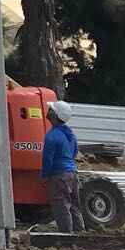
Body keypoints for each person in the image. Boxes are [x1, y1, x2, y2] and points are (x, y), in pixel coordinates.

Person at [42, 100, 84, 233]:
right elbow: (74, 151)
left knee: (62, 207)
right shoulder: (70, 134)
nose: (48, 111)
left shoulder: (51, 136)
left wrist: (44, 176)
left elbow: (47, 160)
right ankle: (80, 234)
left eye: (51, 110)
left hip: (59, 176)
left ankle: (66, 237)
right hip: (73, 173)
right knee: (74, 207)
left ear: (55, 116)